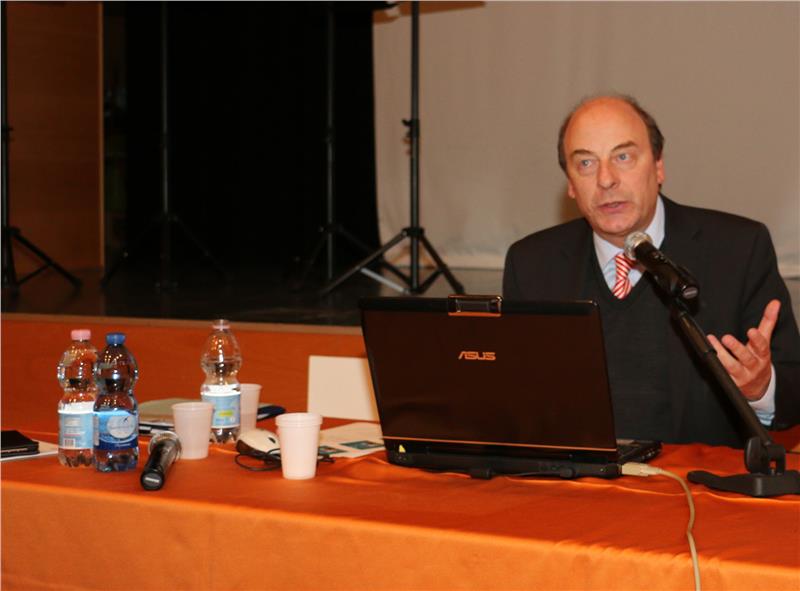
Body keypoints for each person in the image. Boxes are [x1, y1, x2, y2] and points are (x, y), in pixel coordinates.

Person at [503, 95, 800, 447]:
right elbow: (513, 400)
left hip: (700, 477)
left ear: (658, 166)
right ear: (570, 183)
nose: (606, 179)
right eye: (585, 163)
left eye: (623, 157)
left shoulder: (737, 250)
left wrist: (761, 388)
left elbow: (793, 392)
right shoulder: (532, 264)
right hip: (579, 478)